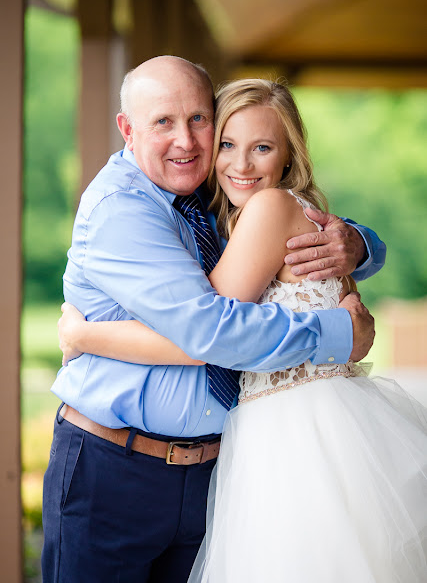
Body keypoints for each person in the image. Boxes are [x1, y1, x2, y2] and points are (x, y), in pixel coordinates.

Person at [59, 77, 427, 582]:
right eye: (230, 145)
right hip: (126, 465)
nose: (240, 163)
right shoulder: (146, 207)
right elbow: (212, 327)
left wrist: (84, 337)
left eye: (261, 147)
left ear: (287, 156)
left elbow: (211, 330)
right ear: (127, 128)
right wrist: (361, 252)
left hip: (293, 435)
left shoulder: (265, 208)